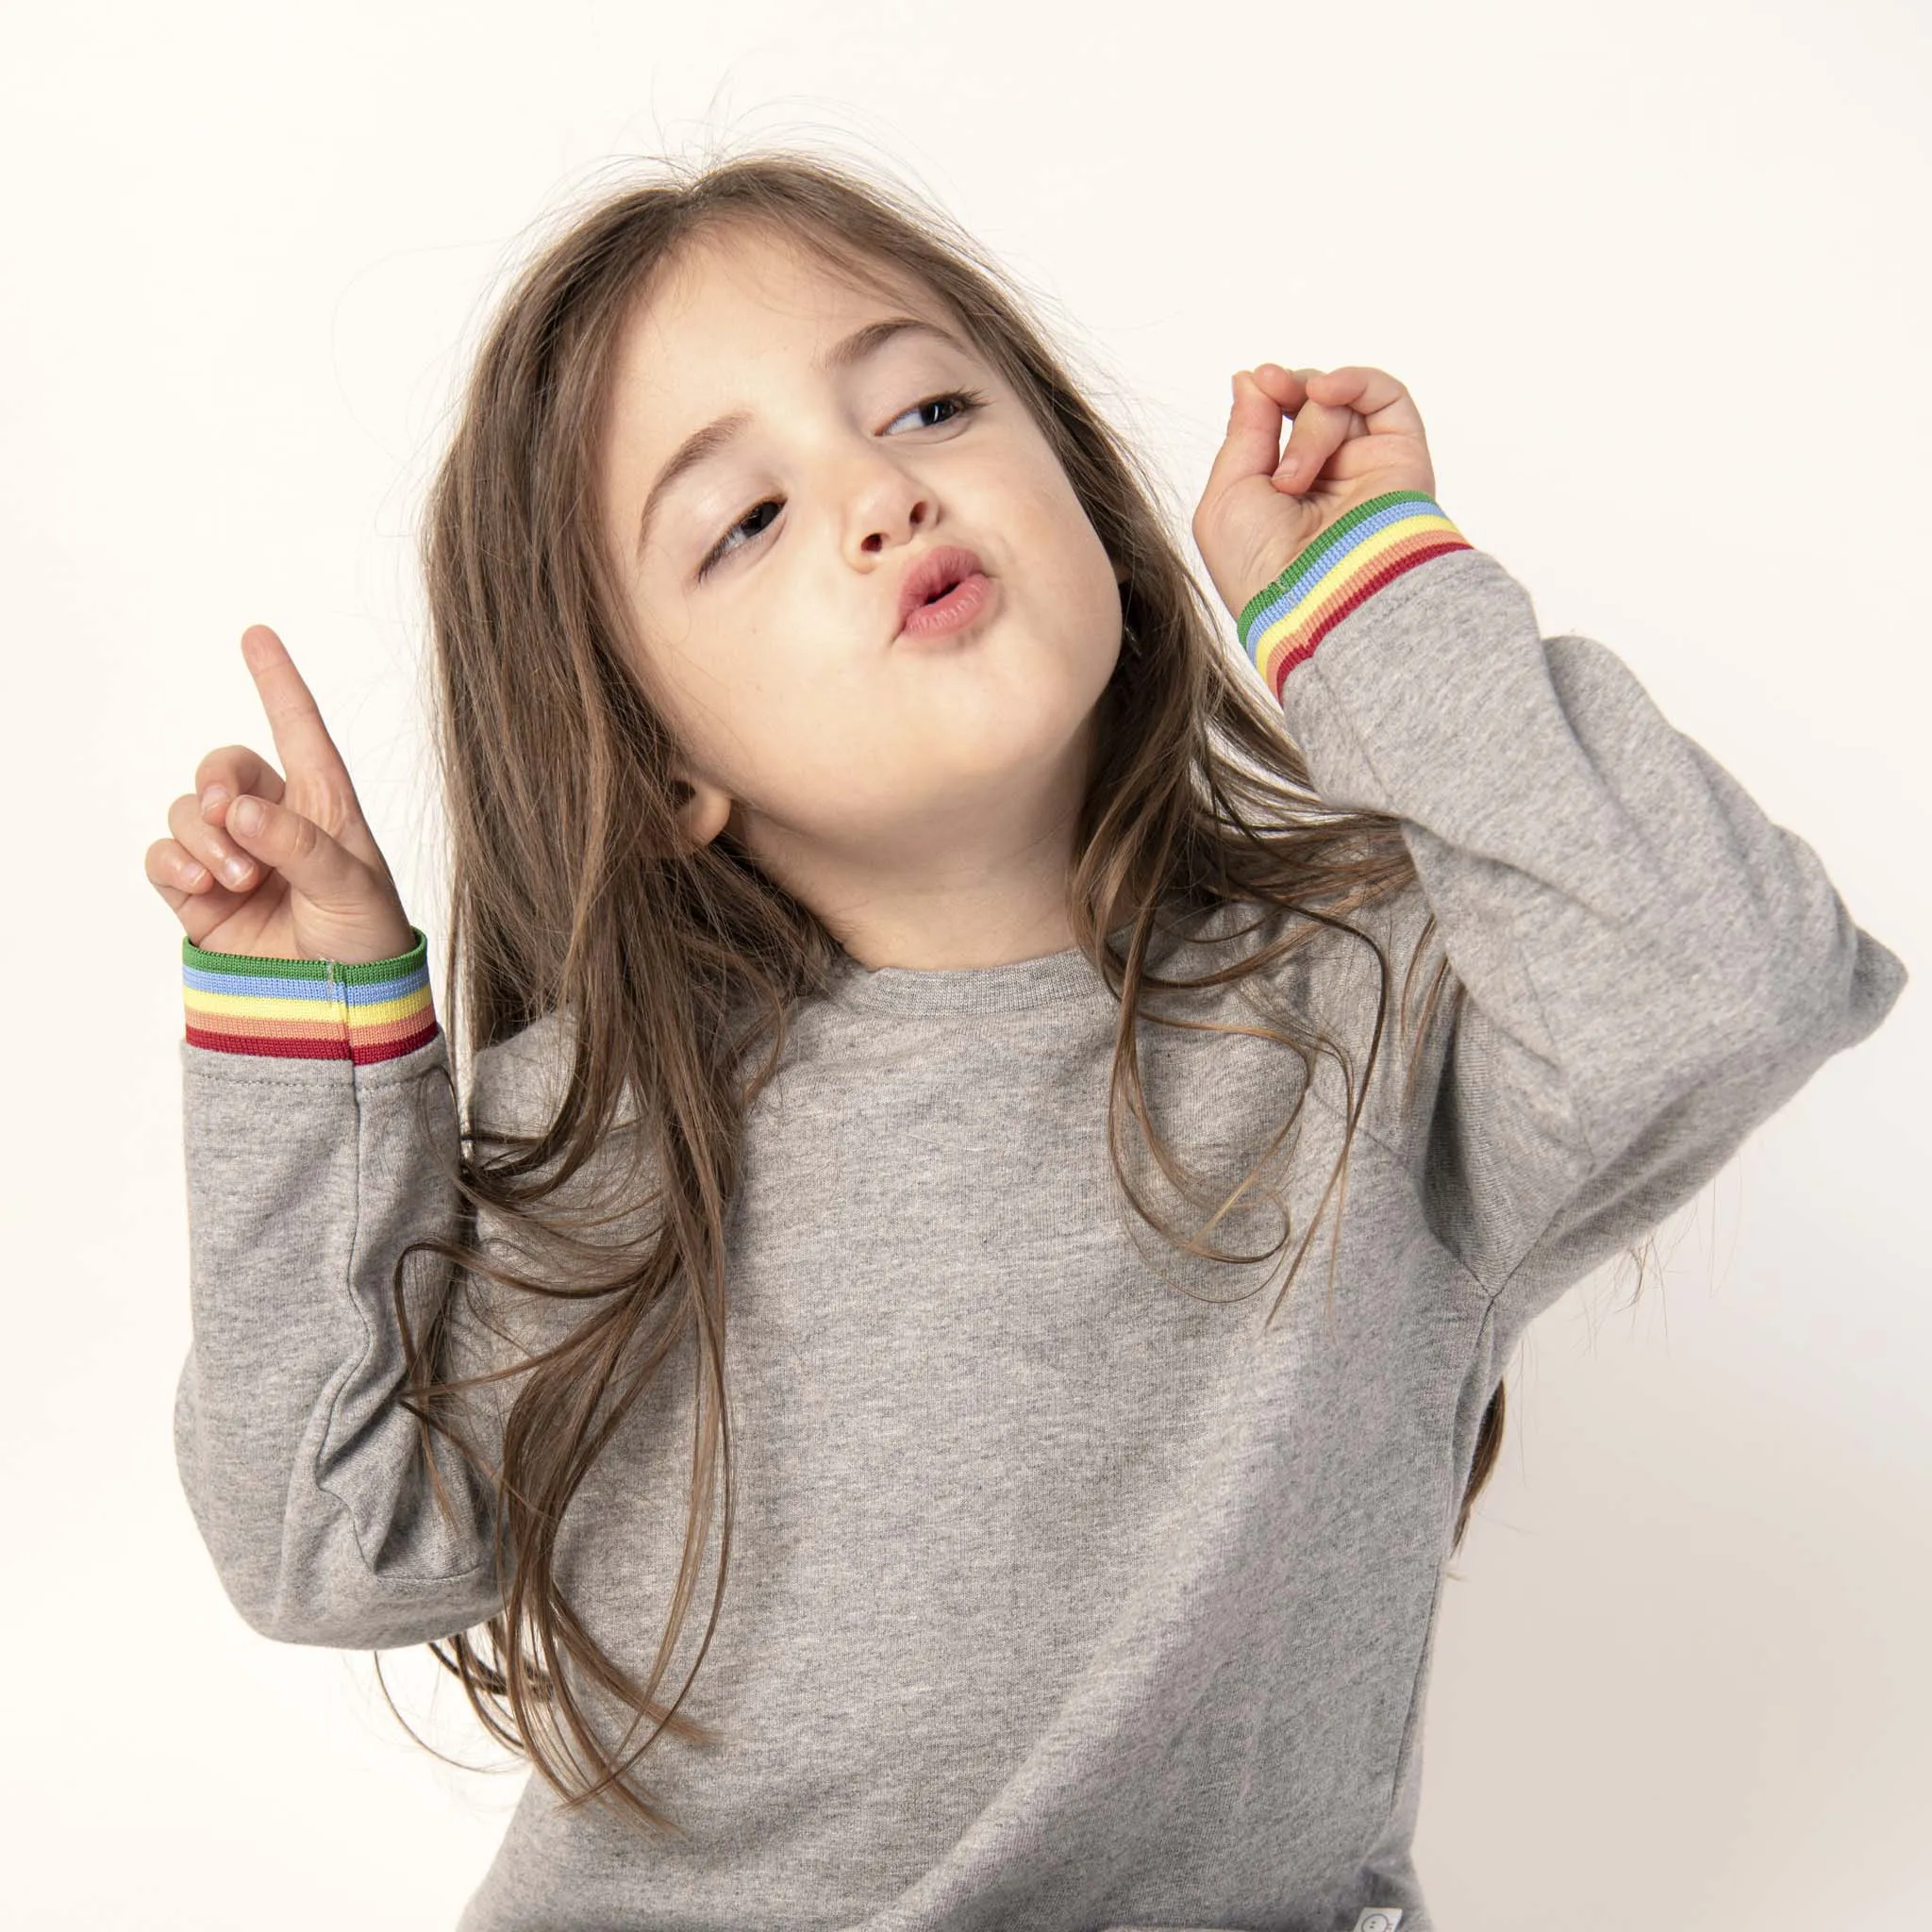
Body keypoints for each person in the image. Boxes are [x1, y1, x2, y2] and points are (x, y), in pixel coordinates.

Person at [146, 149, 1907, 1932]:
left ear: (1080, 489)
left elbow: (1724, 986)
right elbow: (326, 1543)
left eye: (925, 405)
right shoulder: (626, 1131)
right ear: (661, 763)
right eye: (744, 521)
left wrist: (1366, 599)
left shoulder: (1381, 1016)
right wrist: (322, 1033)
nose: (884, 497)